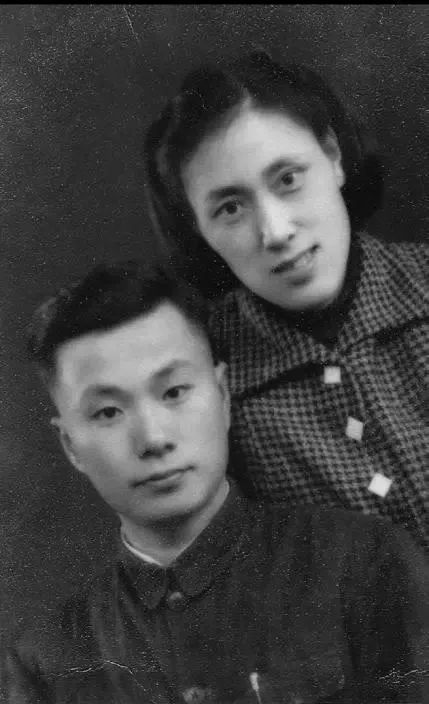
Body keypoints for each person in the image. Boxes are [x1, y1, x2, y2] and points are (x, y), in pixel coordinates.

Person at [1, 259, 428, 704]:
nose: (154, 439)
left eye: (174, 392)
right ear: (71, 445)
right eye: (108, 412)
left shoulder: (366, 564)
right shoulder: (45, 661)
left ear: (222, 396)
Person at [143, 50, 429, 553]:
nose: (275, 232)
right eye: (231, 208)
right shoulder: (206, 382)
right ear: (199, 230)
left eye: (289, 180)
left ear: (333, 157)